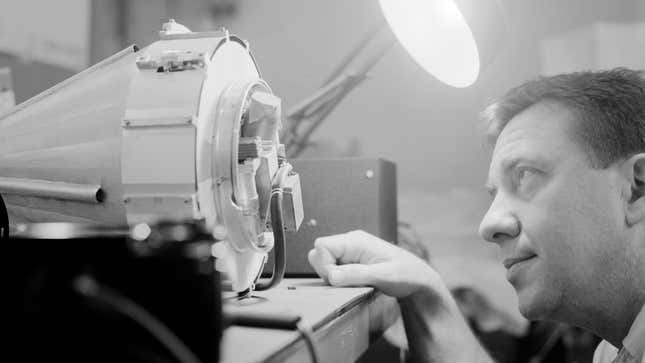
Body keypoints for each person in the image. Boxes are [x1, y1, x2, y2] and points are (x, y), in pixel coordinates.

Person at [308, 68, 645, 363]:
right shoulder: (614, 351)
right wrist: (426, 290)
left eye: (525, 175)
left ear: (636, 189)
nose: (488, 225)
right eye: (493, 194)